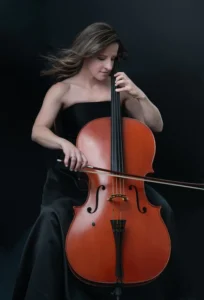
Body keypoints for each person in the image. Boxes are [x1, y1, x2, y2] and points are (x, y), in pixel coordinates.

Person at [12, 22, 194, 300]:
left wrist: (138, 94)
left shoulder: (118, 91)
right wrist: (64, 143)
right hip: (73, 180)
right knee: (54, 218)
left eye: (113, 58)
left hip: (120, 180)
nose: (109, 66)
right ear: (86, 53)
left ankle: (149, 285)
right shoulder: (63, 90)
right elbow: (38, 130)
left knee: (163, 209)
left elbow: (155, 125)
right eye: (101, 58)